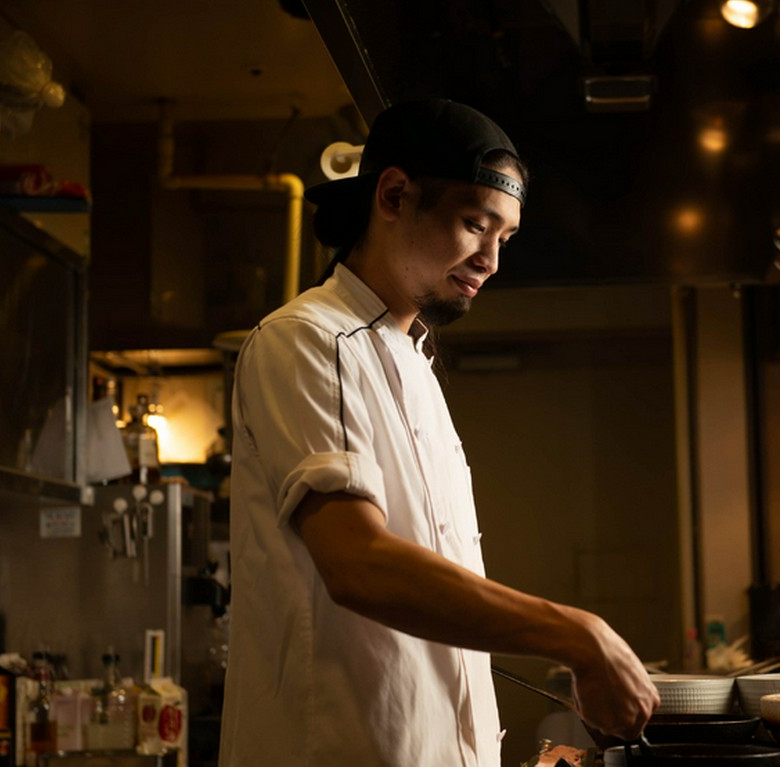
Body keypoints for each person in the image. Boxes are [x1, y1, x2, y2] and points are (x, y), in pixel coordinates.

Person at [218, 98, 660, 767]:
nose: (490, 259)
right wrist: (580, 634)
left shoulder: (414, 358)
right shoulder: (308, 340)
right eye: (475, 224)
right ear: (394, 195)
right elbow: (357, 562)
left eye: (504, 238)